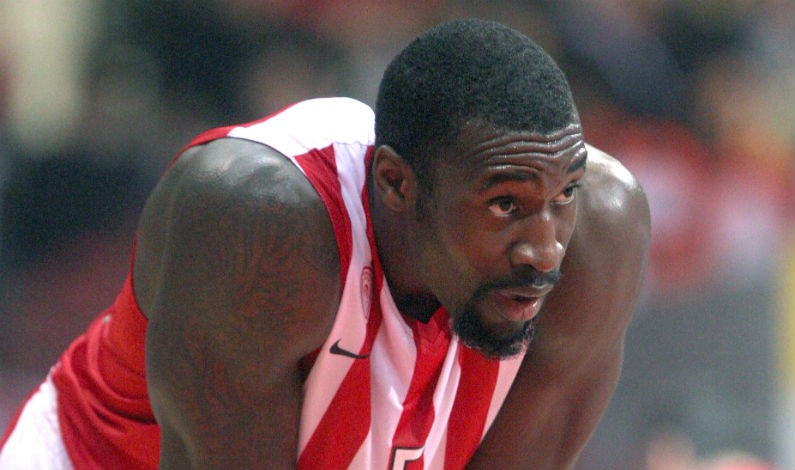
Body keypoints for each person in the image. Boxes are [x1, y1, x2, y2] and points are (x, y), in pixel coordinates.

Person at [0, 18, 650, 469]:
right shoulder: (258, 222)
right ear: (395, 184)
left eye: (563, 196)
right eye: (505, 205)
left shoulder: (601, 240)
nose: (544, 250)